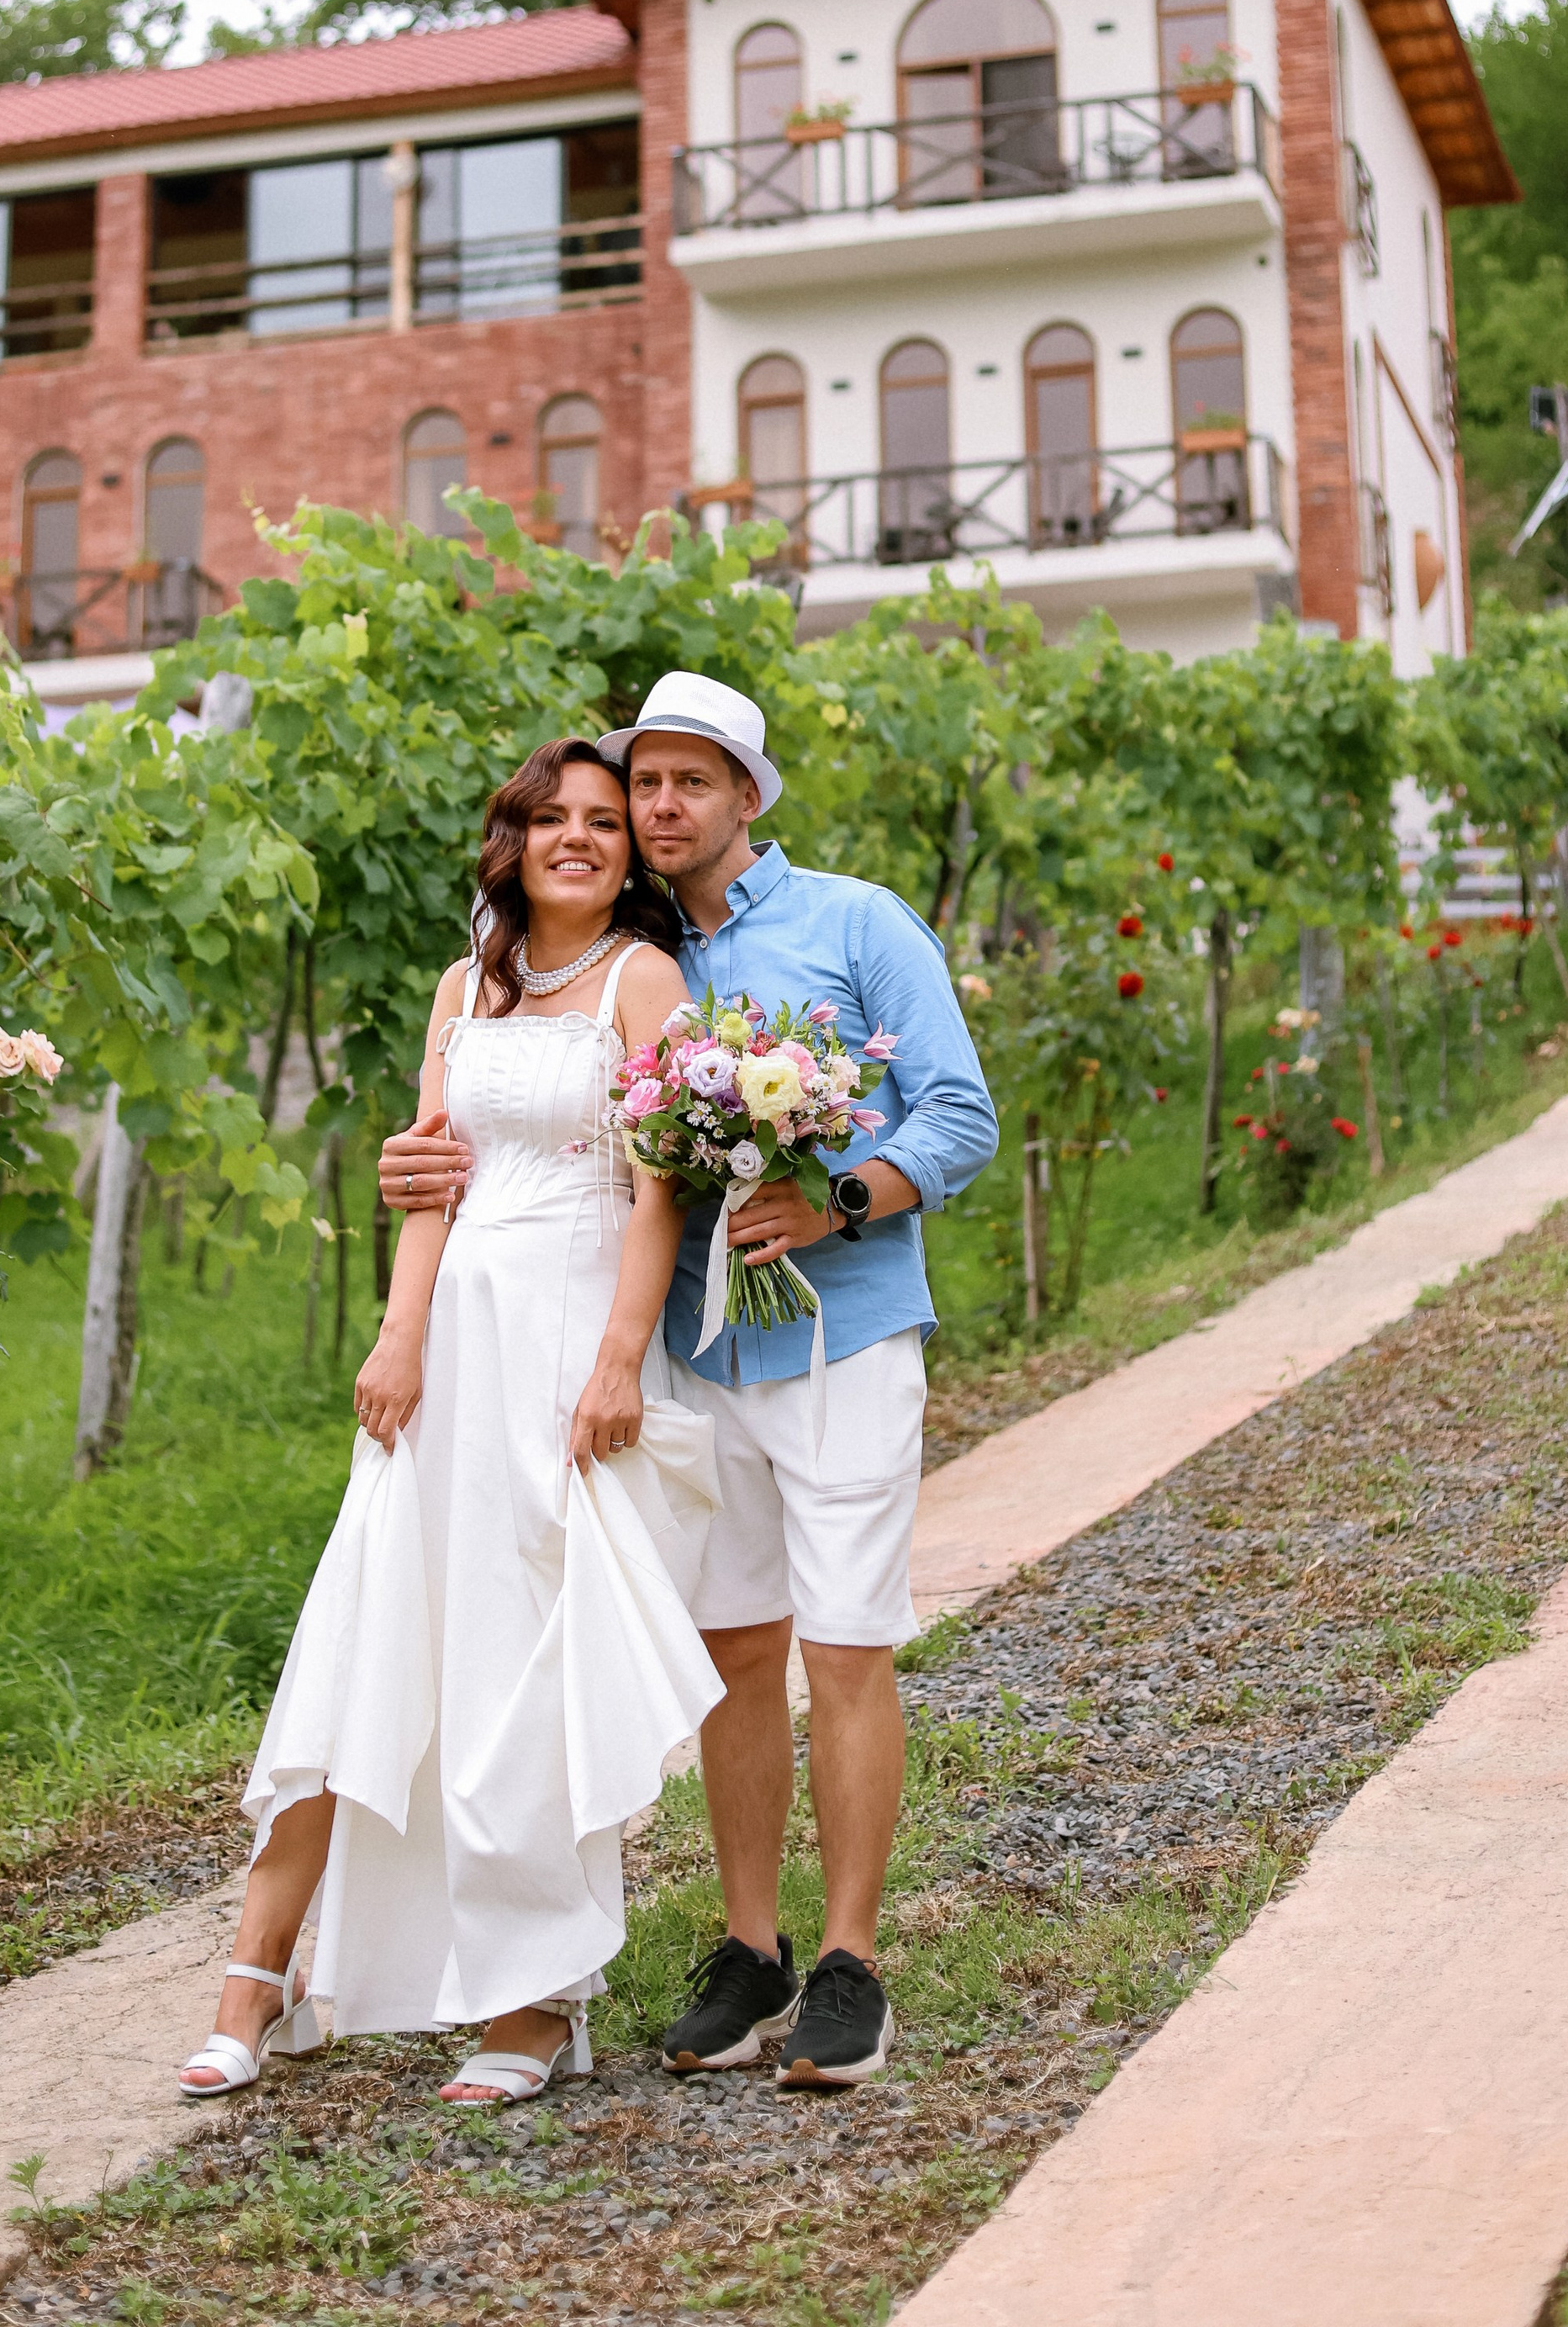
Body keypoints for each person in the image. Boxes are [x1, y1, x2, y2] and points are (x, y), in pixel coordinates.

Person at [381, 670, 998, 2088]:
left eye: (688, 783)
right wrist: (420, 1165)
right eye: (642, 782)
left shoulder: (855, 922)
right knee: (731, 1650)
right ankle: (751, 1947)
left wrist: (840, 1197)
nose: (660, 807)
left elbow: (960, 1112)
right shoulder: (620, 951)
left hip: (838, 1336)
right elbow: (514, 1122)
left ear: (746, 796)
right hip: (692, 1355)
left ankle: (849, 1963)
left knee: (845, 1642)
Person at [181, 739, 721, 2108]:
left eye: (607, 822)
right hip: (449, 1354)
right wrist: (395, 1333)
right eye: (556, 819)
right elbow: (435, 1179)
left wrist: (617, 1366)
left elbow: (658, 1198)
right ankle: (260, 1973)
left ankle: (537, 1995)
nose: (585, 839)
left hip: (561, 1363)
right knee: (371, 1633)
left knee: (521, 1669)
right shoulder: (459, 988)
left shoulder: (644, 984)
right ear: (515, 838)